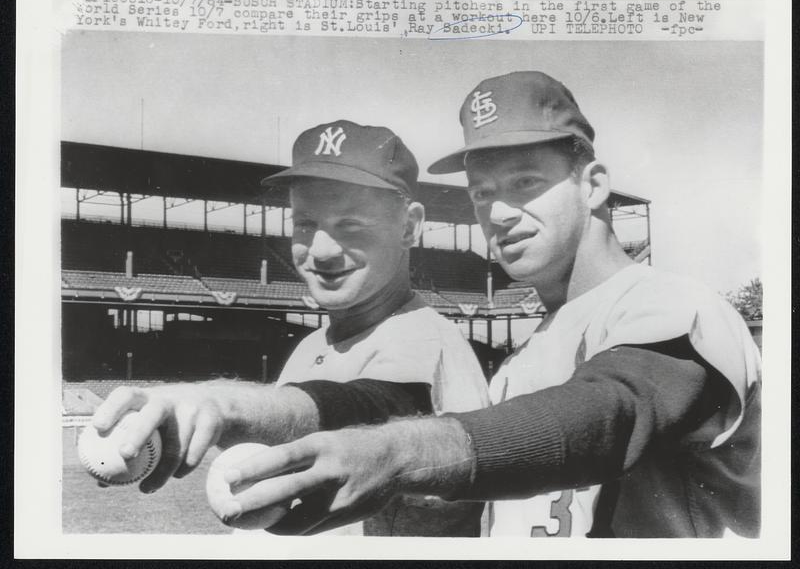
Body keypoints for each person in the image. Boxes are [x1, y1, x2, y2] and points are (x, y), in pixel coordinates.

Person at [220, 72, 762, 538]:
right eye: (482, 192)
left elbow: (613, 412)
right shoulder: (518, 366)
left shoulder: (671, 302)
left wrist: (398, 453)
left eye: (525, 182)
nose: (498, 212)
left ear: (593, 184)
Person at [90, 120, 489, 536]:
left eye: (351, 225)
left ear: (409, 226)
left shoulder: (423, 337)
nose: (321, 250)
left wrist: (224, 407)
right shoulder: (312, 346)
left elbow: (373, 407)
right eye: (304, 223)